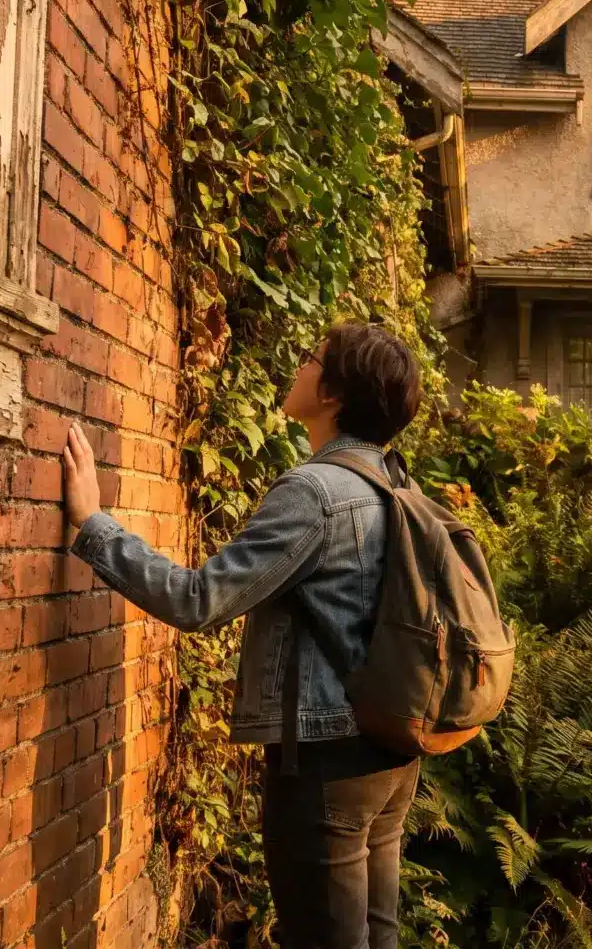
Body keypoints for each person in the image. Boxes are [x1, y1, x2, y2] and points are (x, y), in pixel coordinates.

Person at [60, 321, 425, 949]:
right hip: (392, 752)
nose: (299, 364)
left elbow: (199, 600)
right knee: (377, 937)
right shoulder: (398, 487)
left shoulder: (315, 493)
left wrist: (94, 523)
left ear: (334, 393)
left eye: (312, 357)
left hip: (325, 763)